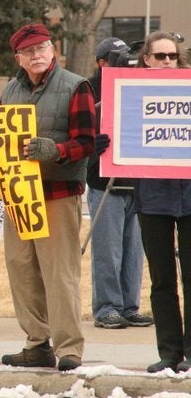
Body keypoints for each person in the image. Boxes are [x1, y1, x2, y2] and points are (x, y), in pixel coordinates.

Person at [0, 23, 95, 372]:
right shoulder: (11, 90)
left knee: (59, 273)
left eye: (42, 48)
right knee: (21, 270)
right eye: (29, 50)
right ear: (18, 57)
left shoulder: (76, 86)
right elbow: (0, 143)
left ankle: (69, 348)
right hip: (19, 195)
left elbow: (89, 143)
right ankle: (36, 343)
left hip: (59, 194)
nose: (37, 55)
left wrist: (57, 150)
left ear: (54, 50)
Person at [133, 31, 191, 373]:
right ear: (147, 59)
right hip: (153, 198)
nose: (167, 60)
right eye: (160, 56)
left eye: (172, 55)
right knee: (162, 279)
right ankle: (169, 351)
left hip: (189, 196)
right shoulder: (130, 94)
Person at [86, 37, 153, 330]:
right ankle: (107, 307)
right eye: (119, 57)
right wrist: (91, 145)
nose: (127, 60)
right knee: (108, 251)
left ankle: (129, 306)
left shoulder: (139, 85)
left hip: (136, 182)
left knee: (134, 251)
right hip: (103, 184)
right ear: (102, 63)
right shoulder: (88, 90)